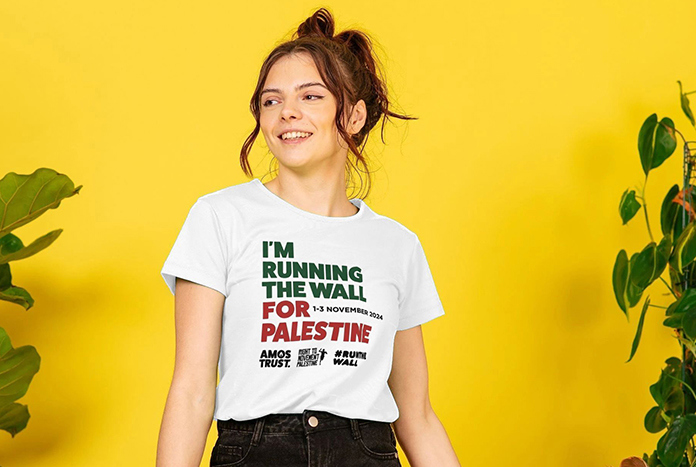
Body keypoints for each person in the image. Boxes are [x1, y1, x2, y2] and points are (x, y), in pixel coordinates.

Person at [156, 7, 460, 467]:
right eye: (271, 100)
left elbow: (416, 416)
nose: (287, 113)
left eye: (311, 96)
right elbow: (192, 391)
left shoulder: (396, 245)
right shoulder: (220, 217)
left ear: (354, 116)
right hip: (254, 451)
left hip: (366, 451)